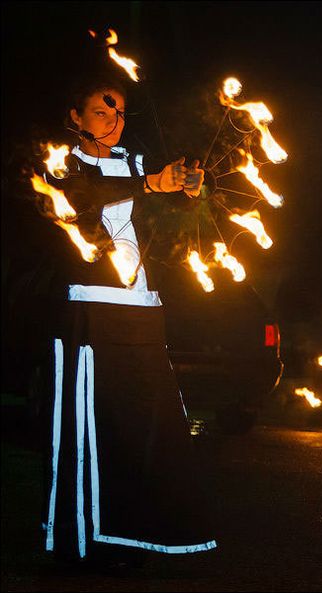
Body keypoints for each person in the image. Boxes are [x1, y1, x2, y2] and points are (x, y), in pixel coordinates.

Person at [42, 77, 216, 566]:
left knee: (153, 425)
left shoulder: (137, 162)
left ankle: (150, 539)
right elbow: (85, 193)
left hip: (141, 305)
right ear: (74, 116)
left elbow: (174, 202)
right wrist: (151, 183)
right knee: (95, 428)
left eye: (119, 114)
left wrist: (188, 186)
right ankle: (87, 545)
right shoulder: (60, 162)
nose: (114, 121)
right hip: (89, 304)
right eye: (101, 111)